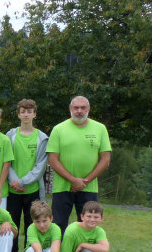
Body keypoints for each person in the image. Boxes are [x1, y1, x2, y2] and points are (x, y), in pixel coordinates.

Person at [47, 96, 112, 233]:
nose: (79, 111)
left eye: (83, 108)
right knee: (58, 225)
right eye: (76, 108)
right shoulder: (58, 129)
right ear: (70, 109)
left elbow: (105, 160)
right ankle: (59, 248)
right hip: (62, 187)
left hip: (89, 187)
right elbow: (52, 160)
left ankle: (83, 248)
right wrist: (73, 180)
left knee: (88, 225)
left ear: (89, 109)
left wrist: (85, 181)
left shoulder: (100, 129)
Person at [6, 99, 49, 252]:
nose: (26, 115)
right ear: (18, 114)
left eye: (29, 112)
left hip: (33, 190)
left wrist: (22, 181)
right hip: (13, 190)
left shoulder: (42, 138)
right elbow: (7, 162)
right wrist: (14, 182)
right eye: (23, 111)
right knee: (12, 224)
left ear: (34, 114)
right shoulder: (10, 135)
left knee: (33, 224)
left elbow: (40, 166)